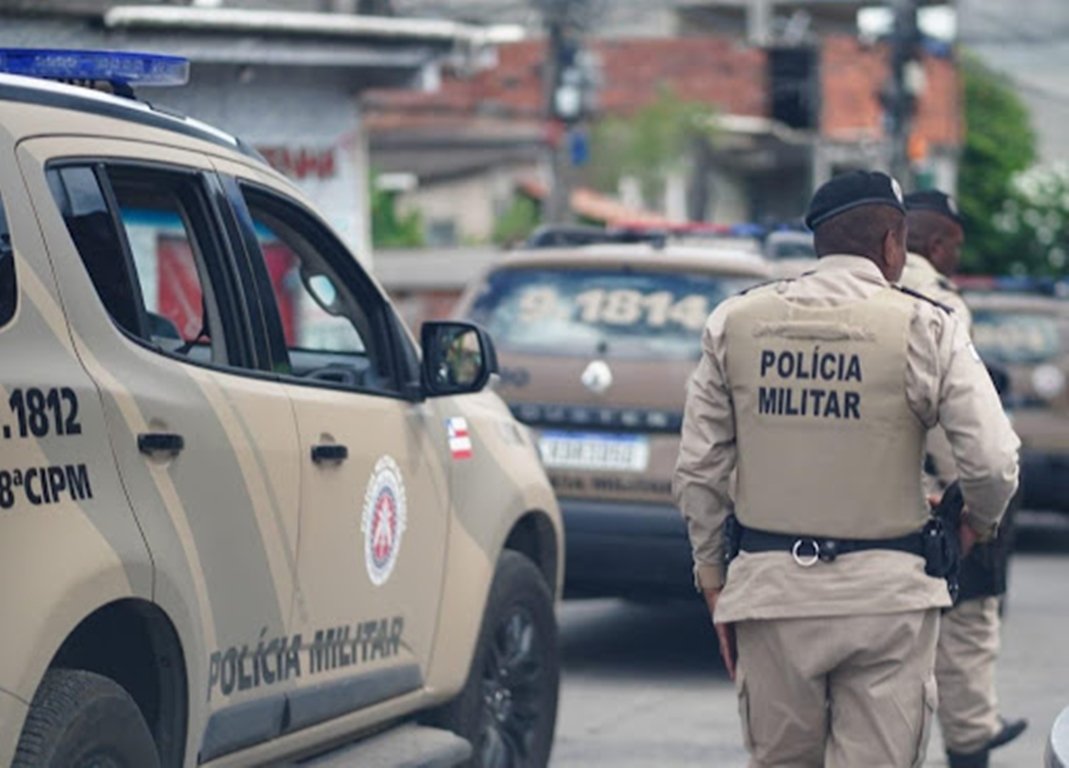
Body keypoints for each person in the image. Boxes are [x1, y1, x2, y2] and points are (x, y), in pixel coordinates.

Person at [673, 170, 1020, 767]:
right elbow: (992, 461)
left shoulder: (735, 323)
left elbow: (700, 470)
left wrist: (713, 577)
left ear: (819, 244)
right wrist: (977, 525)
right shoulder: (928, 325)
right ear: (893, 244)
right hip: (887, 601)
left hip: (772, 592)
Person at [901, 190, 1028, 768]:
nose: (956, 257)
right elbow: (959, 428)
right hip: (935, 496)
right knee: (967, 629)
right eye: (955, 245)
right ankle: (972, 740)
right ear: (936, 243)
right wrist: (977, 508)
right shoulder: (941, 303)